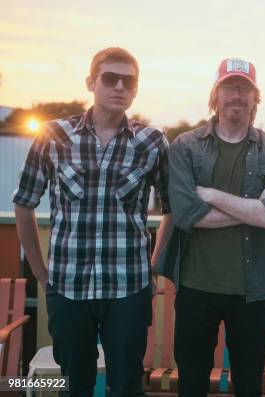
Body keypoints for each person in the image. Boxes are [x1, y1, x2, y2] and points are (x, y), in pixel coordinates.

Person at [13, 47, 173, 396]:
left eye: (127, 81)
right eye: (109, 78)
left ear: (135, 89)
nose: (119, 87)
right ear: (91, 82)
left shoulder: (152, 142)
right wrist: (42, 274)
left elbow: (171, 209)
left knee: (128, 386)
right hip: (68, 287)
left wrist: (154, 264)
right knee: (74, 387)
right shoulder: (53, 136)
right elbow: (24, 204)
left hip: (129, 288)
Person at [159, 58, 265, 396]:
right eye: (229, 87)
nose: (237, 95)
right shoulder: (185, 147)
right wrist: (254, 208)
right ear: (215, 94)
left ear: (255, 98)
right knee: (192, 382)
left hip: (252, 291)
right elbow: (188, 216)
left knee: (249, 384)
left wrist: (213, 195)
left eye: (244, 89)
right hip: (194, 288)